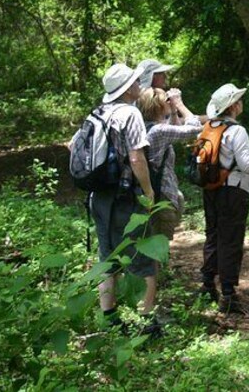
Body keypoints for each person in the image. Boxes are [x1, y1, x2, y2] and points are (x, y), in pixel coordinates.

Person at [79, 63, 160, 336]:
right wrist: (148, 191)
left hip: (98, 196)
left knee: (107, 258)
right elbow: (137, 157)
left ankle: (109, 318)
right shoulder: (130, 114)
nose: (140, 86)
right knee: (142, 257)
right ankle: (146, 323)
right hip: (125, 197)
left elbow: (72, 145)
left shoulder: (97, 113)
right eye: (135, 82)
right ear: (127, 89)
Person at [199, 83, 249, 313]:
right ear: (233, 106)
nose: (241, 103)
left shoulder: (208, 127)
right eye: (239, 100)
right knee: (230, 240)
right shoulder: (236, 131)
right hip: (232, 191)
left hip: (210, 188)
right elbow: (248, 164)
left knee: (212, 234)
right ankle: (229, 294)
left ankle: (207, 286)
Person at [136, 87, 203, 241]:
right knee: (159, 247)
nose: (170, 100)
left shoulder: (146, 128)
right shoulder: (158, 131)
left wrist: (173, 111)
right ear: (158, 106)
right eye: (166, 99)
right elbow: (194, 130)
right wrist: (179, 104)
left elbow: (175, 129)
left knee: (156, 245)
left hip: (159, 194)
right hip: (161, 197)